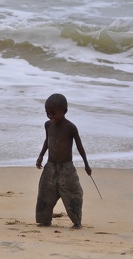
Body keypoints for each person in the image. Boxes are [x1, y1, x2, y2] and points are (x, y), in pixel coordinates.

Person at [35, 93, 92, 230]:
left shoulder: (70, 127)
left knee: (72, 194)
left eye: (53, 113)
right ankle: (44, 221)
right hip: (50, 167)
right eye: (47, 113)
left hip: (67, 169)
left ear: (64, 111)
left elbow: (79, 146)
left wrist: (86, 164)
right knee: (45, 193)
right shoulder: (48, 125)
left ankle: (77, 222)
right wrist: (41, 156)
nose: (50, 117)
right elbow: (47, 141)